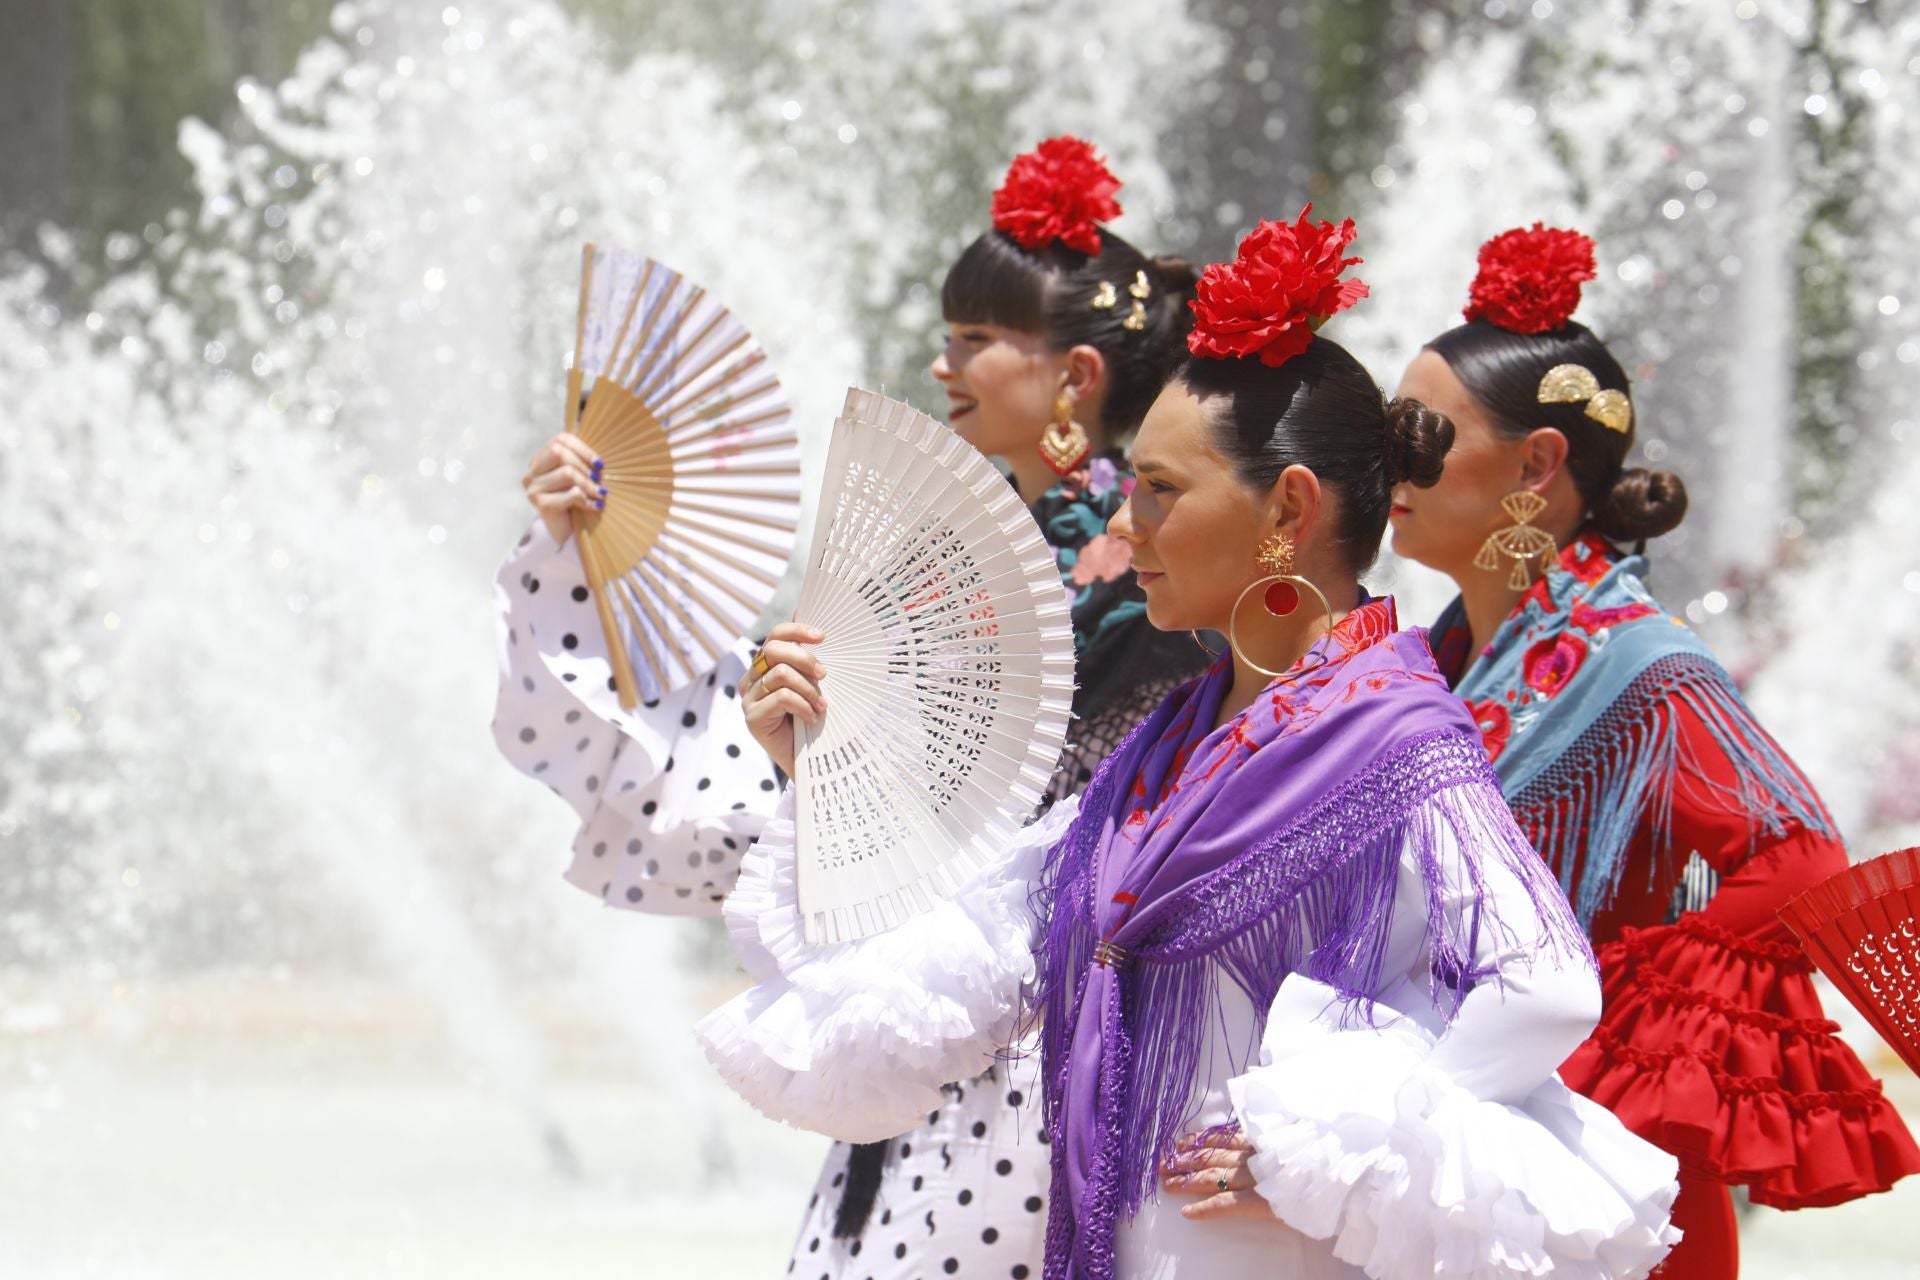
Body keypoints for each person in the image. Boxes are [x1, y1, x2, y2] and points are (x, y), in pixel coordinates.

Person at [703, 210, 1680, 1279]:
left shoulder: (1392, 737)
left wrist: (1329, 1151)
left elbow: (1541, 985)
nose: (1131, 518)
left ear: (1285, 510)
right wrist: (825, 768)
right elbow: (983, 937)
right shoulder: (1172, 741)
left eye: (1163, 489)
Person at [493, 136, 1208, 1277]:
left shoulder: (1165, 578)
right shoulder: (956, 562)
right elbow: (877, 835)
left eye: (976, 339)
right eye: (947, 335)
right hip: (910, 1070)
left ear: (1074, 377)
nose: (944, 366)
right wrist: (792, 752)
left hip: (1047, 1081)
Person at [1388, 222, 1920, 1277]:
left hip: (1593, 1171)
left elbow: (1801, 857)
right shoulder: (1439, 656)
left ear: (1538, 464)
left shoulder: (1639, 664)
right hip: (1457, 1150)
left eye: (1419, 434)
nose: (1389, 465)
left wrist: (1614, 1023)